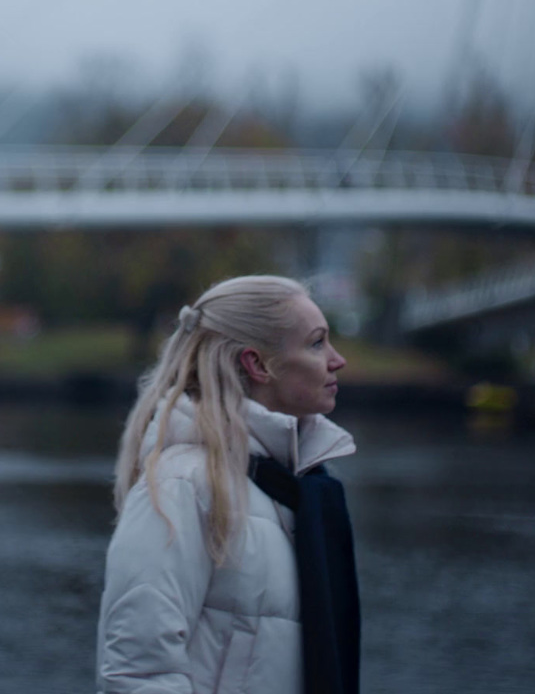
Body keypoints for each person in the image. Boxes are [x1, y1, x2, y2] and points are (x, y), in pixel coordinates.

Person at [96, 275, 359, 694]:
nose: (336, 359)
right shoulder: (181, 484)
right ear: (258, 365)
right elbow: (137, 672)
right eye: (316, 343)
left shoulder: (298, 489)